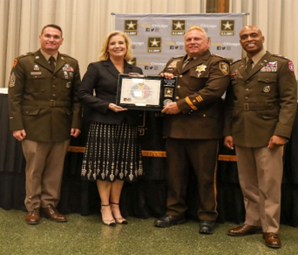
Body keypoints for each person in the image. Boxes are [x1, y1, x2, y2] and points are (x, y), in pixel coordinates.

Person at [224, 25, 297, 249]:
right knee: (248, 183)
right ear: (241, 42)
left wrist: (282, 133)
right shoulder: (236, 67)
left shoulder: (281, 64)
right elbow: (230, 103)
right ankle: (253, 222)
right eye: (244, 37)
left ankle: (271, 228)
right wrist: (228, 131)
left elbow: (289, 101)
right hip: (241, 133)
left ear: (262, 38)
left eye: (253, 35)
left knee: (270, 184)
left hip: (268, 135)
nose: (249, 39)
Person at [154, 26, 230, 234]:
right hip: (175, 128)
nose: (192, 42)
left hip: (203, 130)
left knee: (206, 178)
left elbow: (213, 91)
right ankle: (174, 212)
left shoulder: (217, 63)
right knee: (175, 176)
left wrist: (181, 105)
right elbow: (165, 89)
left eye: (197, 39)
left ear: (207, 42)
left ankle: (207, 216)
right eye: (189, 39)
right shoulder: (174, 62)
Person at [8, 24, 82, 225]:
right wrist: (16, 125)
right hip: (34, 125)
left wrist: (76, 122)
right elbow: (14, 97)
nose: (51, 39)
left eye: (56, 36)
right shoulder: (24, 62)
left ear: (61, 40)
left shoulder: (71, 64)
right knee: (34, 170)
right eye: (48, 36)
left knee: (55, 170)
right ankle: (32, 207)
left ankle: (49, 205)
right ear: (40, 37)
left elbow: (77, 98)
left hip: (61, 124)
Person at [78, 30, 143, 227]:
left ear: (126, 47)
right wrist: (106, 105)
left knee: (122, 167)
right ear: (107, 47)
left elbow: (141, 96)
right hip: (104, 122)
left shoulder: (136, 71)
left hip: (127, 124)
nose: (117, 46)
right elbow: (82, 93)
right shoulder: (97, 68)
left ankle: (116, 205)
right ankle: (104, 206)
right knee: (105, 167)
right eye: (113, 43)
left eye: (121, 43)